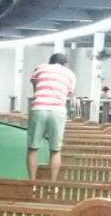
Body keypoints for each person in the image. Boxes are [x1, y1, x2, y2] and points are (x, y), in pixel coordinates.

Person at [27, 53, 78, 181]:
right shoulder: (70, 74)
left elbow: (34, 86)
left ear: (49, 61)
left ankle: (32, 182)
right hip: (58, 110)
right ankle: (53, 183)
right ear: (65, 64)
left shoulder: (39, 68)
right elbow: (69, 93)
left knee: (33, 147)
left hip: (39, 107)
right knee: (56, 150)